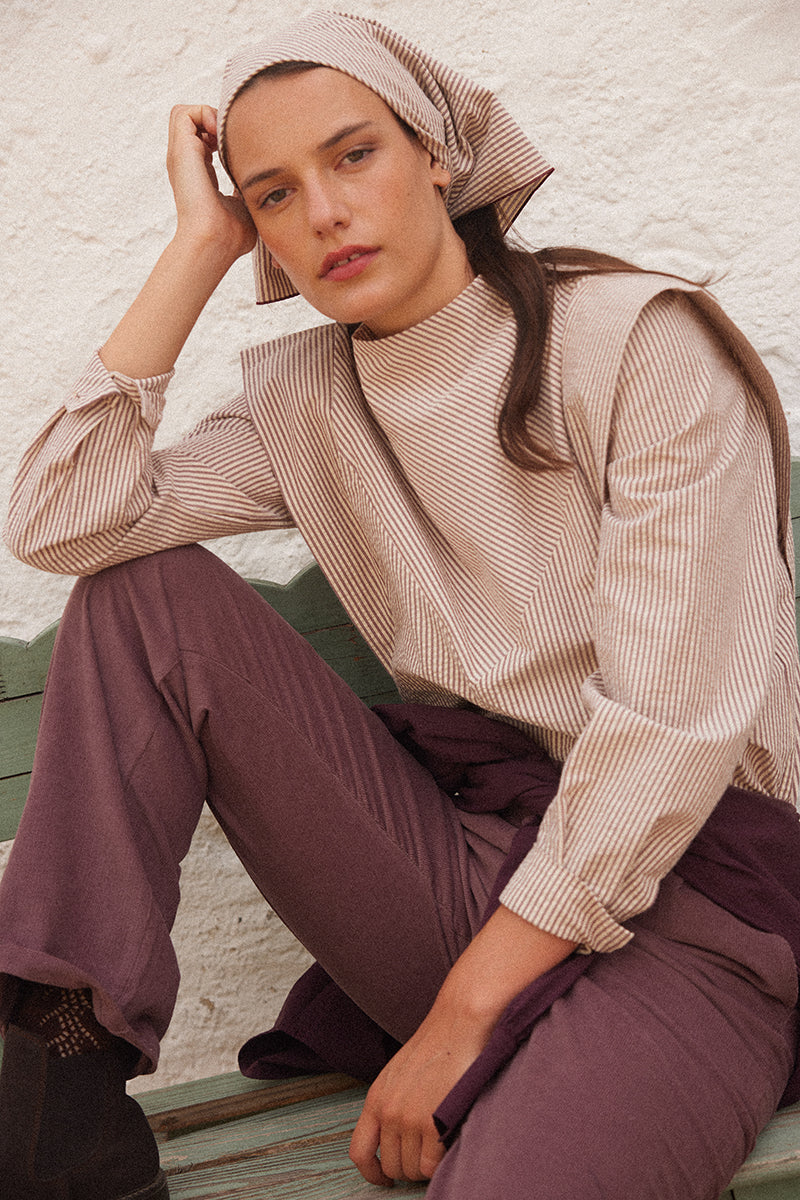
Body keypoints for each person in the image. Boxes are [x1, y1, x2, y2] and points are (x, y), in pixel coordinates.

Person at [1, 10, 800, 1199]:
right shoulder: (306, 402)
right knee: (144, 594)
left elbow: (669, 732)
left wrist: (457, 1020)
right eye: (270, 194)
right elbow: (65, 522)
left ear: (435, 148)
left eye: (352, 155)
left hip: (692, 918)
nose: (320, 212)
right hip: (464, 877)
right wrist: (192, 250)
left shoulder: (636, 344)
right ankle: (49, 1087)